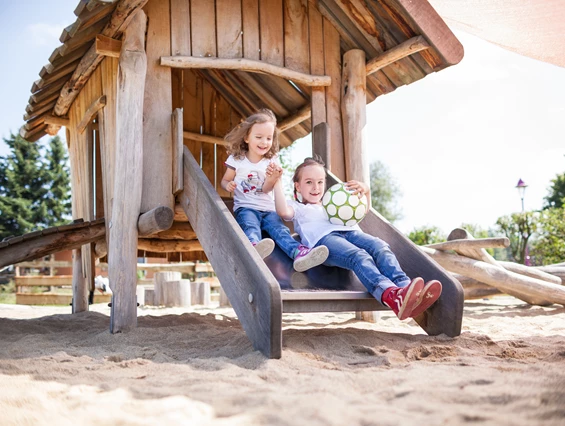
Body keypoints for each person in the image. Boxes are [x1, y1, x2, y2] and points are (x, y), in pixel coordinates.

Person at [270, 156, 442, 320]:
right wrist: (277, 182)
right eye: (309, 182)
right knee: (359, 256)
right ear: (298, 187)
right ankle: (390, 294)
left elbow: (363, 210)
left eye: (320, 182)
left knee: (380, 246)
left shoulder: (335, 201)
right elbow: (283, 211)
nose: (316, 187)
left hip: (352, 233)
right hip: (325, 241)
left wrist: (365, 191)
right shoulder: (298, 207)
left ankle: (405, 287)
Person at [220, 109, 329, 272]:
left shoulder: (271, 161)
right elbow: (225, 180)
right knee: (250, 225)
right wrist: (227, 185)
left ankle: (299, 253)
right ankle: (254, 246)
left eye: (269, 138)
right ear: (246, 138)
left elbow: (265, 189)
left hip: (269, 209)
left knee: (280, 230)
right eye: (259, 137)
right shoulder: (237, 160)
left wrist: (273, 179)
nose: (264, 142)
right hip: (246, 207)